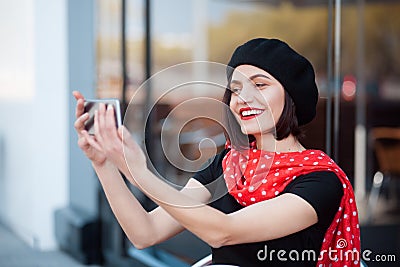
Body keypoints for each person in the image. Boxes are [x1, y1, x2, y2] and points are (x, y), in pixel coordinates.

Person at [73, 38, 361, 267]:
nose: (243, 98)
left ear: (292, 97)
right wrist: (104, 163)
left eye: (260, 85)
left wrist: (140, 172)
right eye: (235, 90)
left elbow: (224, 230)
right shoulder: (228, 164)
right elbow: (146, 232)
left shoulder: (321, 180)